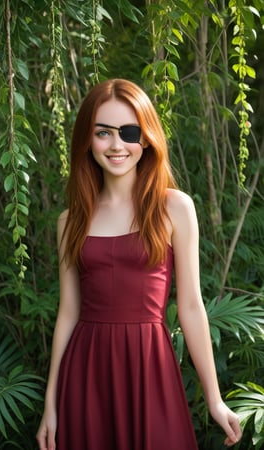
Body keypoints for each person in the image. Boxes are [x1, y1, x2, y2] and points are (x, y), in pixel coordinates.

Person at [36, 78, 242, 450]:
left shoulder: (174, 207)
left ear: (146, 138)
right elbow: (68, 312)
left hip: (150, 367)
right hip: (86, 373)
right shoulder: (70, 220)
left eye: (129, 132)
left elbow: (192, 307)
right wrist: (50, 403)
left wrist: (214, 399)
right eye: (103, 133)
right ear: (87, 138)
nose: (117, 145)